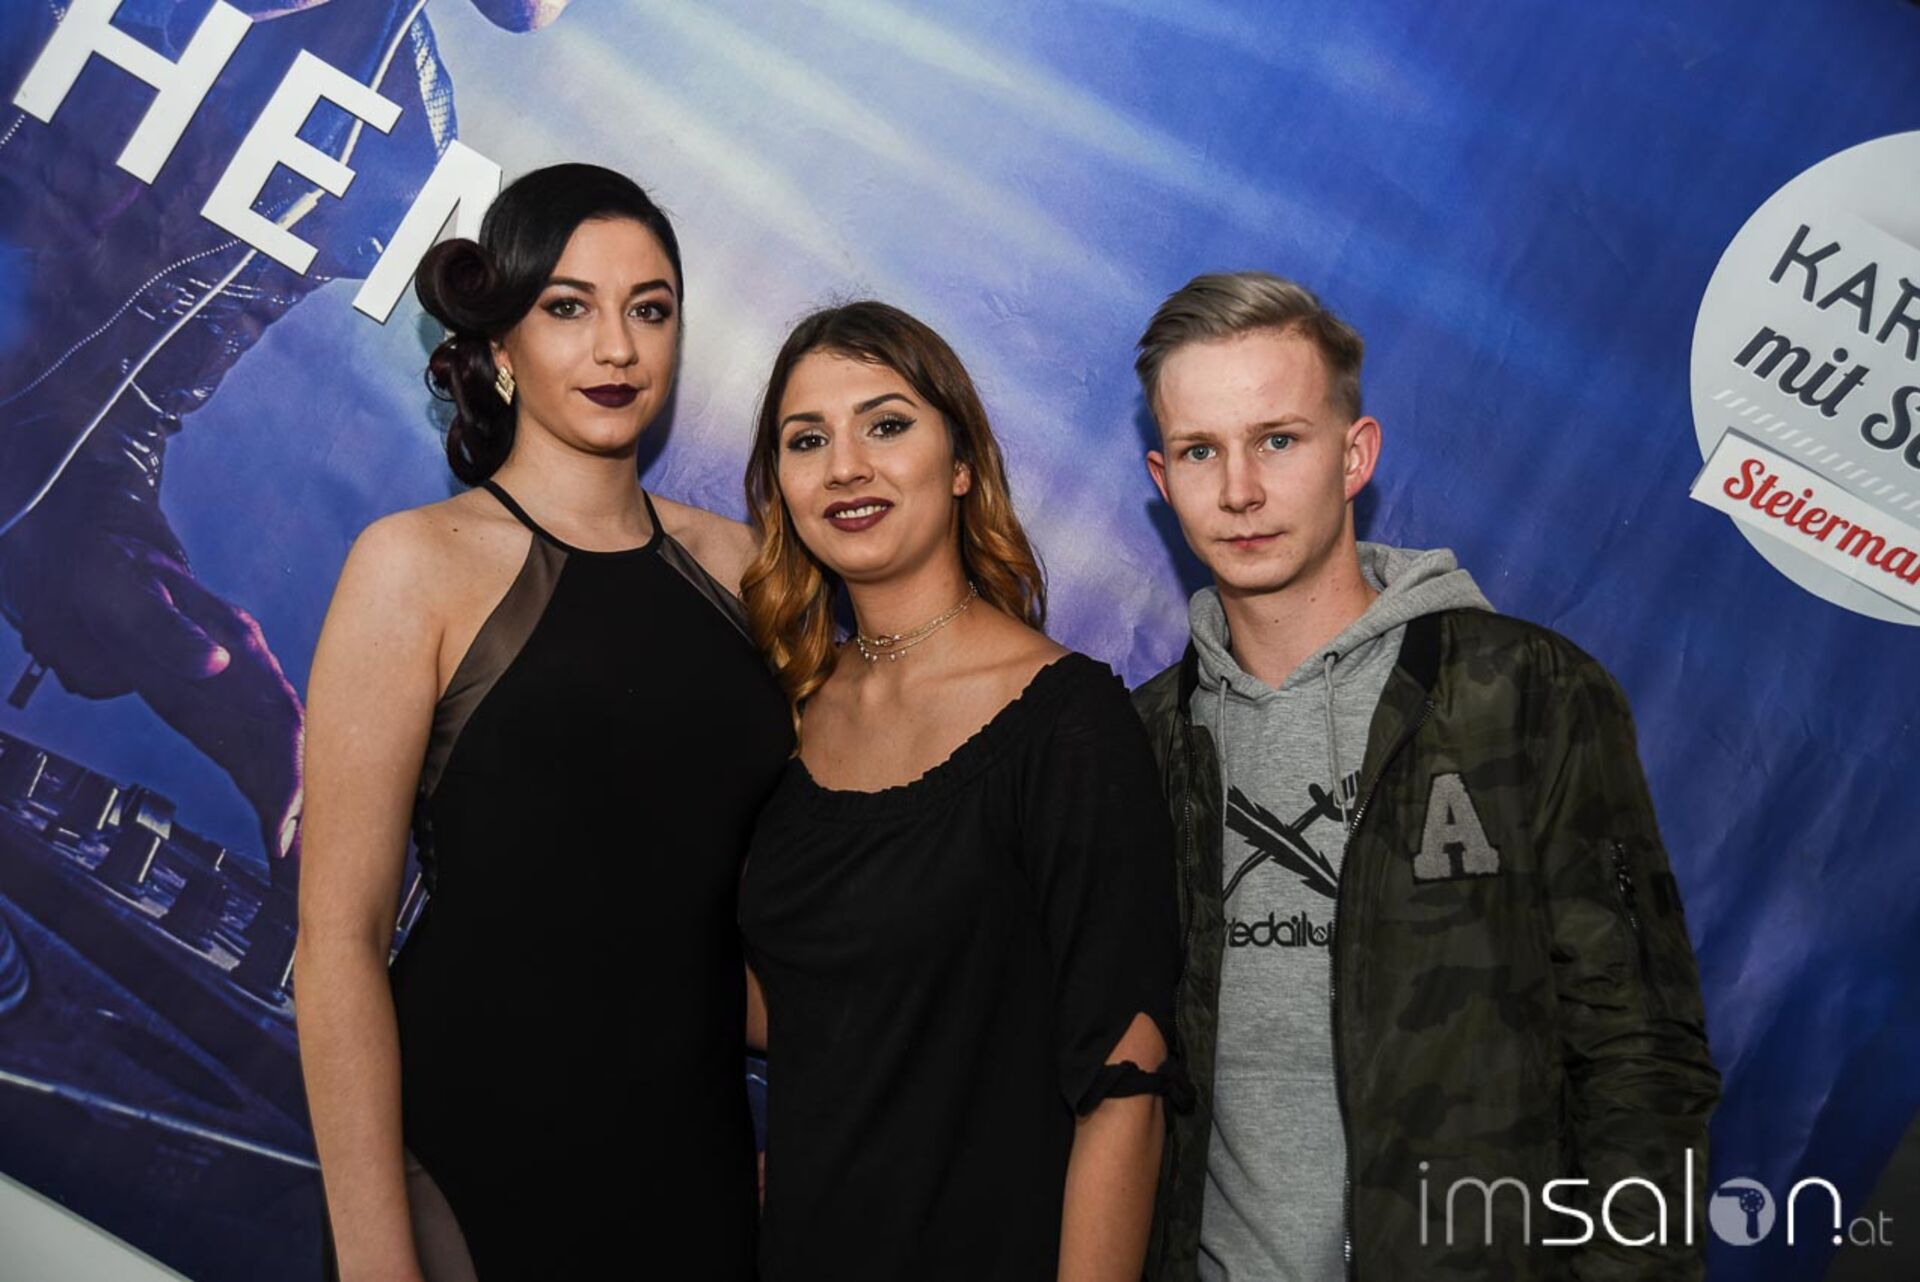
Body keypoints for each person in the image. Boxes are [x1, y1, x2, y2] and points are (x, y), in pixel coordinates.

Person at [1129, 273, 1719, 1280]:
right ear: (1163, 474)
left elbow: (1643, 1060)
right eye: (1200, 451)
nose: (1239, 490)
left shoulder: (1523, 694)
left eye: (1279, 440)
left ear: (1355, 455)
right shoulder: (1142, 744)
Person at [295, 164, 790, 1280]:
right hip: (464, 1160)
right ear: (502, 344)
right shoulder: (413, 565)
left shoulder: (752, 573)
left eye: (649, 309)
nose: (618, 347)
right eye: (570, 307)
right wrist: (376, 1260)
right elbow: (337, 944)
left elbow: (809, 905)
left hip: (693, 1176)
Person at [737, 301, 1185, 1281]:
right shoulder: (788, 714)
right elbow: (810, 1000)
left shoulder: (1067, 723)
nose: (845, 466)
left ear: (962, 464)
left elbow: (1125, 1087)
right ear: (781, 487)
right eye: (806, 440)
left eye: (886, 424)